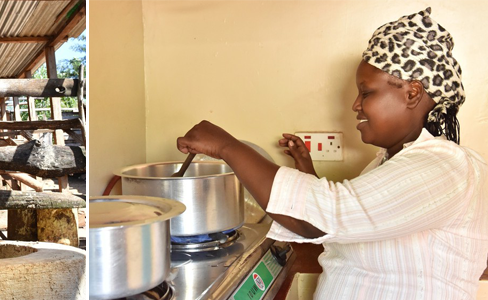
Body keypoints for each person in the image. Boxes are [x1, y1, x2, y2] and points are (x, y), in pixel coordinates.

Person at [177, 8, 487, 299]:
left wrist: (228, 146)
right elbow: (351, 225)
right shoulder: (391, 162)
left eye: (366, 92)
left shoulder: (442, 168)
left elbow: (330, 215)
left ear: (412, 94)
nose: (355, 105)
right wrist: (308, 176)